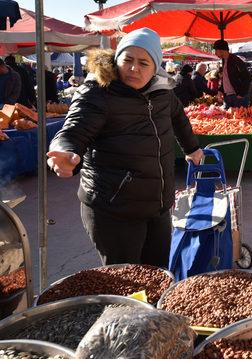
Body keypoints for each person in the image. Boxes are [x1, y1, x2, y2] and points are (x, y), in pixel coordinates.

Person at [47, 28, 203, 267]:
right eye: (127, 60)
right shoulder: (97, 92)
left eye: (143, 62)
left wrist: (192, 148)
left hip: (158, 205)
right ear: (117, 58)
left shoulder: (163, 90)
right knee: (126, 283)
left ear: (156, 67)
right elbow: (74, 129)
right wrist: (66, 151)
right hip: (114, 208)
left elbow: (178, 118)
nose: (134, 68)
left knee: (157, 274)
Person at [213, 39, 252, 108]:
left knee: (240, 118)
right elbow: (225, 78)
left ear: (221, 50)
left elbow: (247, 77)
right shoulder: (224, 61)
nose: (215, 53)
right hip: (228, 97)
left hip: (237, 97)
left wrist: (241, 94)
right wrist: (221, 90)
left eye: (216, 50)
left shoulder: (236, 61)